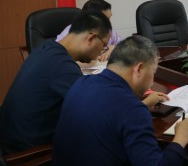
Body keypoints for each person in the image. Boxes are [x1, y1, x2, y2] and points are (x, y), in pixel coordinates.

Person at [53, 35, 188, 166]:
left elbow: (108, 113)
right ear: (139, 69)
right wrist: (181, 138)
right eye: (153, 72)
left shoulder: (82, 83)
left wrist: (142, 105)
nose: (151, 83)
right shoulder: (132, 110)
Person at [0, 11, 112, 154]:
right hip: (29, 156)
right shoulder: (62, 65)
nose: (102, 51)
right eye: (104, 46)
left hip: (10, 142)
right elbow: (97, 109)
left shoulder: (46, 49)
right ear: (91, 38)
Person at [56, 0, 121, 61]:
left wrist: (113, 48)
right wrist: (79, 63)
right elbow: (58, 54)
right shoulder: (71, 33)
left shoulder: (109, 31)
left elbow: (123, 46)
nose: (109, 23)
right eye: (105, 20)